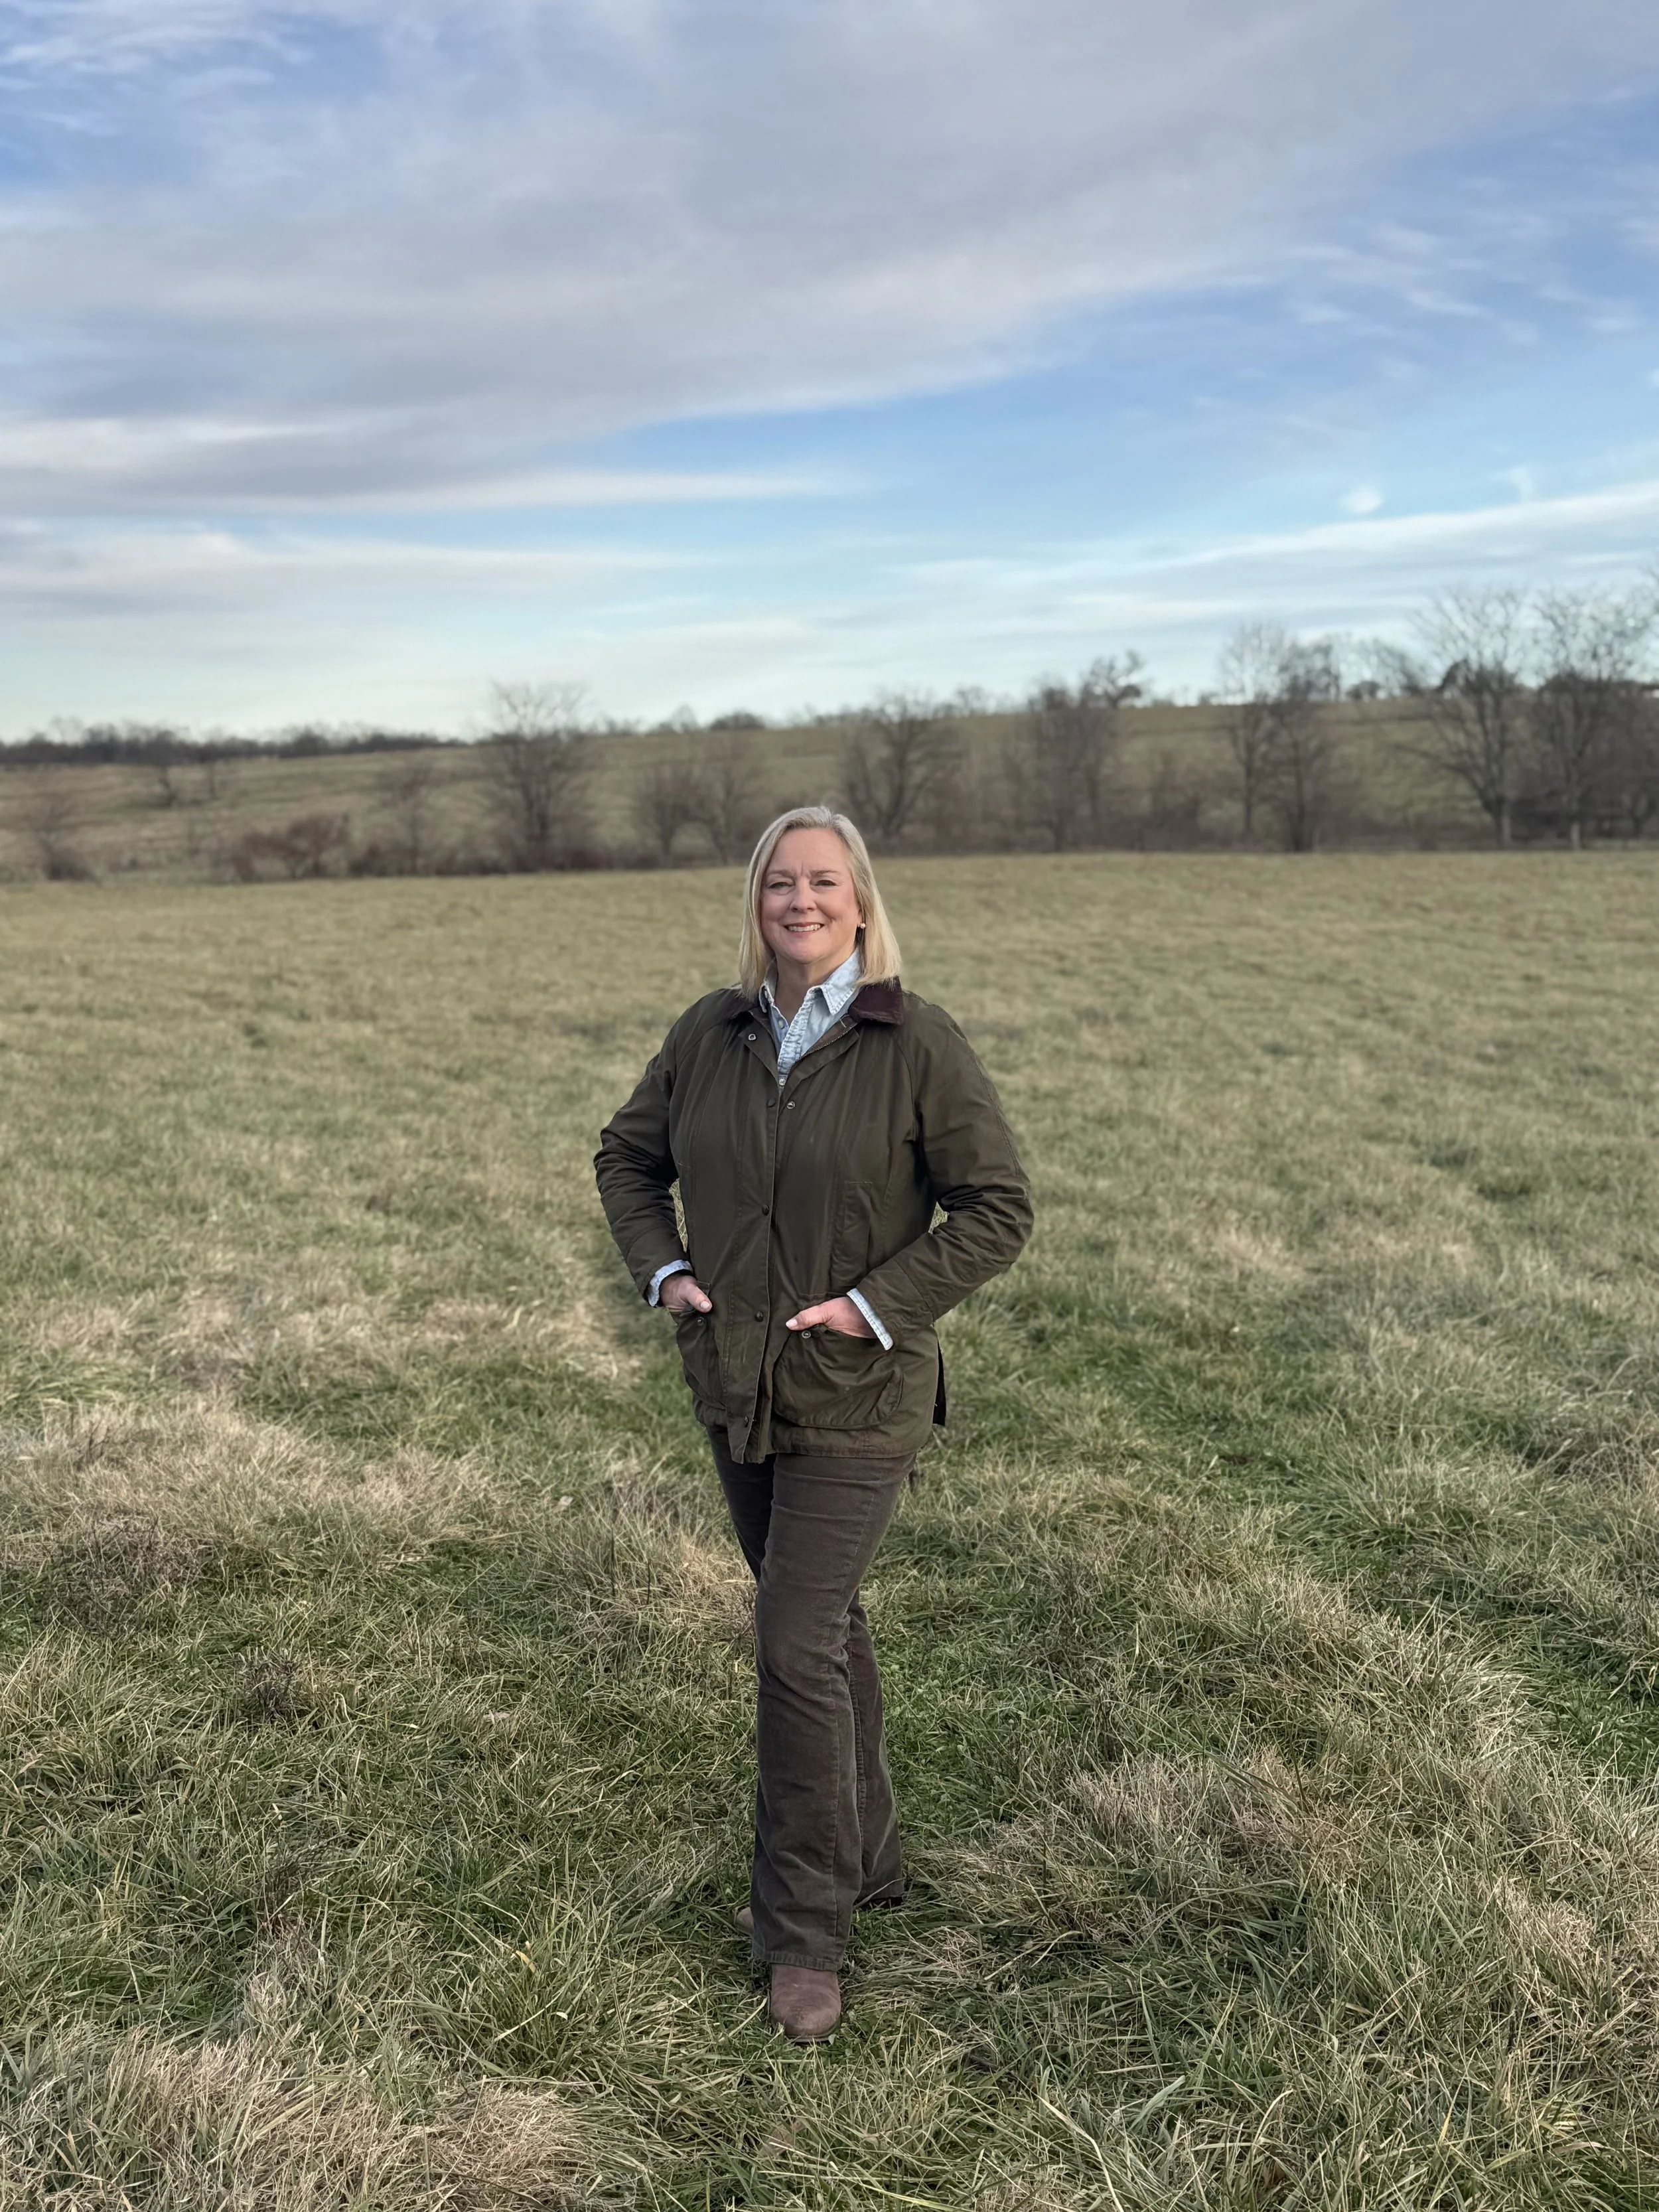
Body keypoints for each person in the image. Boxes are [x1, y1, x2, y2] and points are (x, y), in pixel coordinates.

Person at [594, 806, 1032, 2041]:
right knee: (825, 1629)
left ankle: (804, 1935)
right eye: (780, 883)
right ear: (758, 903)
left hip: (859, 1393)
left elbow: (997, 1208)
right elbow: (627, 1160)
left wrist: (875, 1306)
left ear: (858, 900)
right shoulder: (712, 1032)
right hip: (737, 1385)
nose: (801, 901)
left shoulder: (914, 1040)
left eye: (822, 882)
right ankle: (869, 1859)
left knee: (789, 1641)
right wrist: (663, 1273)